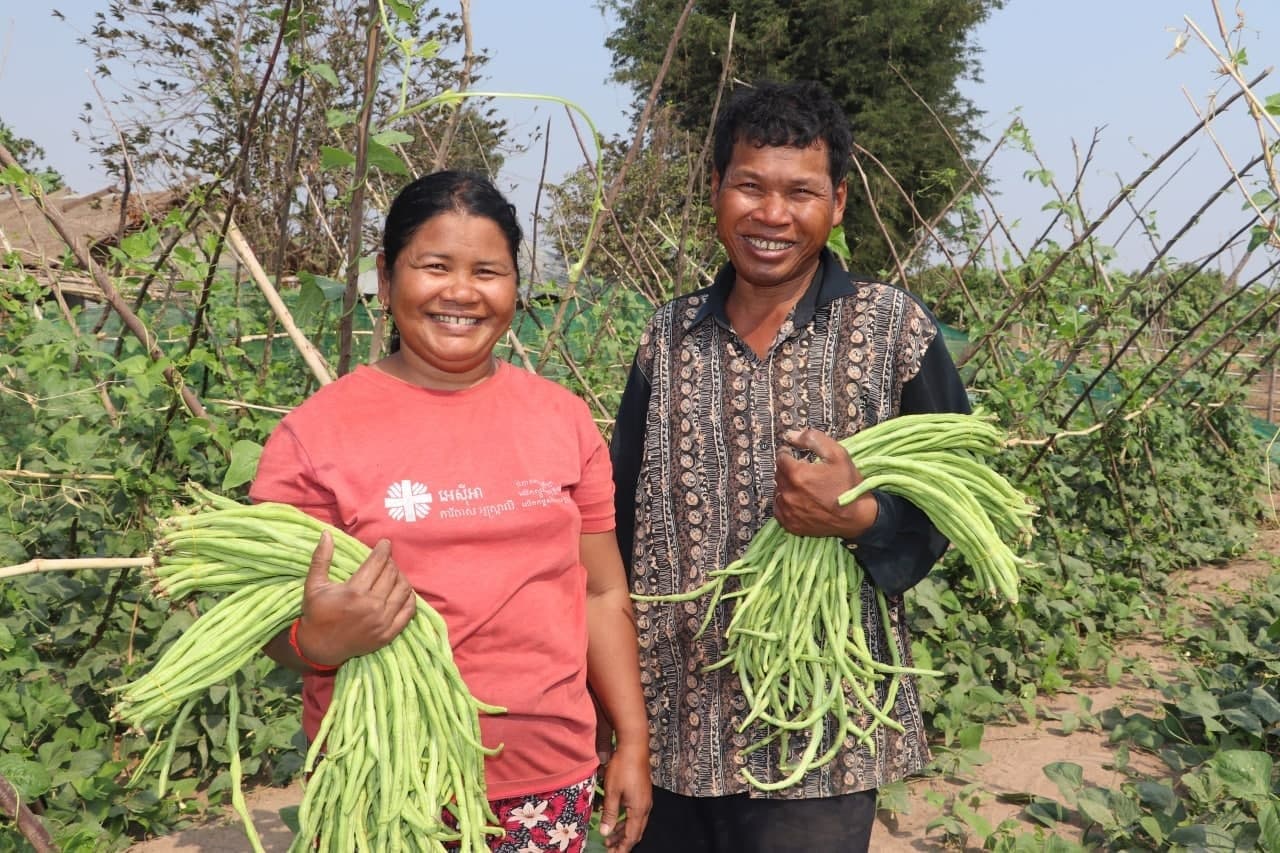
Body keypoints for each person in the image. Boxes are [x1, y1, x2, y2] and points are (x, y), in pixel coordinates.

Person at [608, 80, 970, 852]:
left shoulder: (893, 326)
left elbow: (956, 494)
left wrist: (863, 518)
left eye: (800, 192)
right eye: (749, 186)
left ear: (837, 203)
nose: (772, 214)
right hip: (672, 725)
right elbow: (617, 514)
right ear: (716, 191)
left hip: (823, 733)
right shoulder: (665, 338)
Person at [251, 170, 651, 852]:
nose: (462, 292)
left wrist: (634, 741)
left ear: (516, 286)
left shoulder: (561, 418)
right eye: (435, 266)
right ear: (386, 277)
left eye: (488, 270)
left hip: (545, 777)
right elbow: (267, 623)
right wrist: (318, 642)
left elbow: (603, 591)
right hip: (381, 778)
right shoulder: (315, 436)